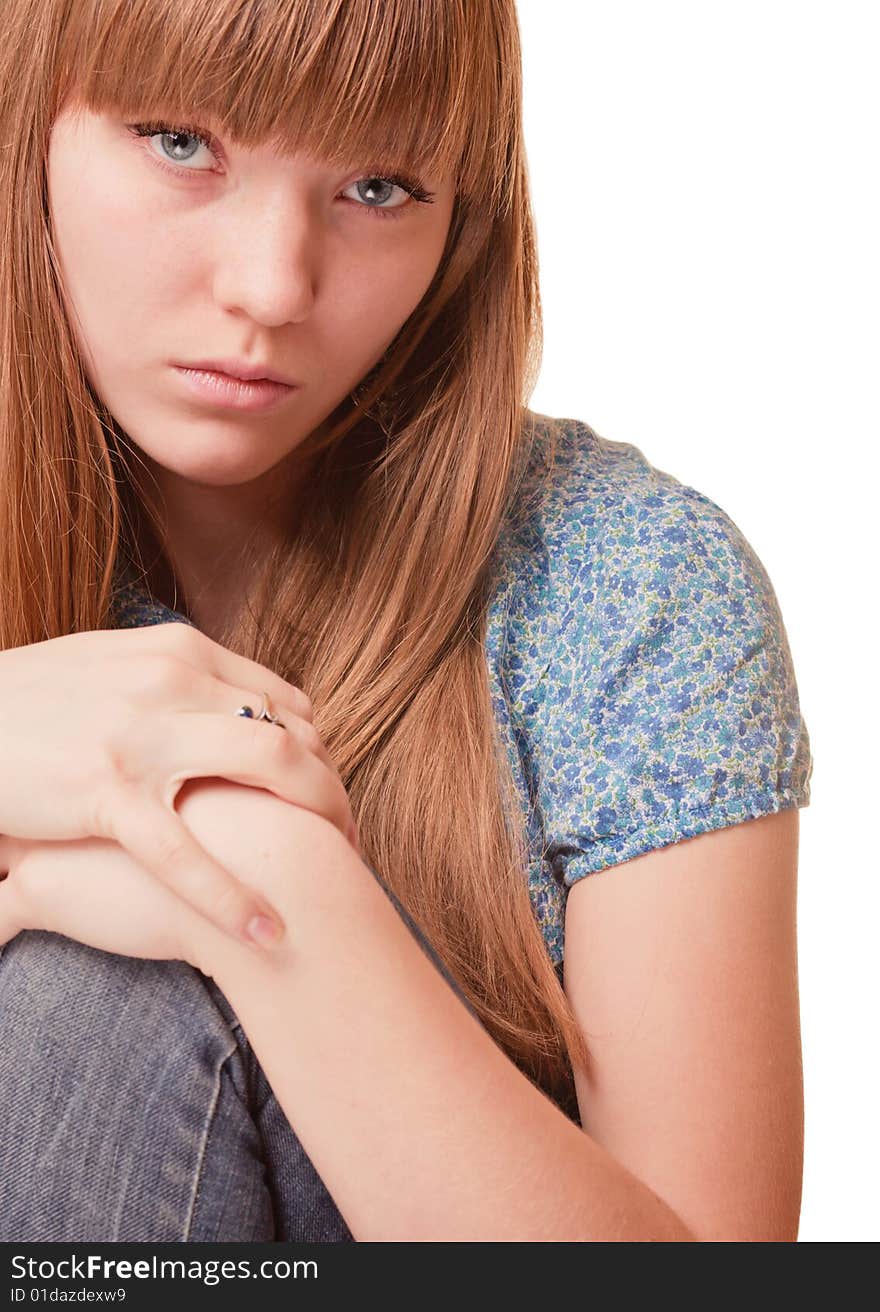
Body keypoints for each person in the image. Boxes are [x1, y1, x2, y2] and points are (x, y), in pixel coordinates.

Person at [0, 0, 812, 1243]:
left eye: (379, 186)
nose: (272, 287)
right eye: (180, 144)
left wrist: (268, 881)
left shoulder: (625, 586)